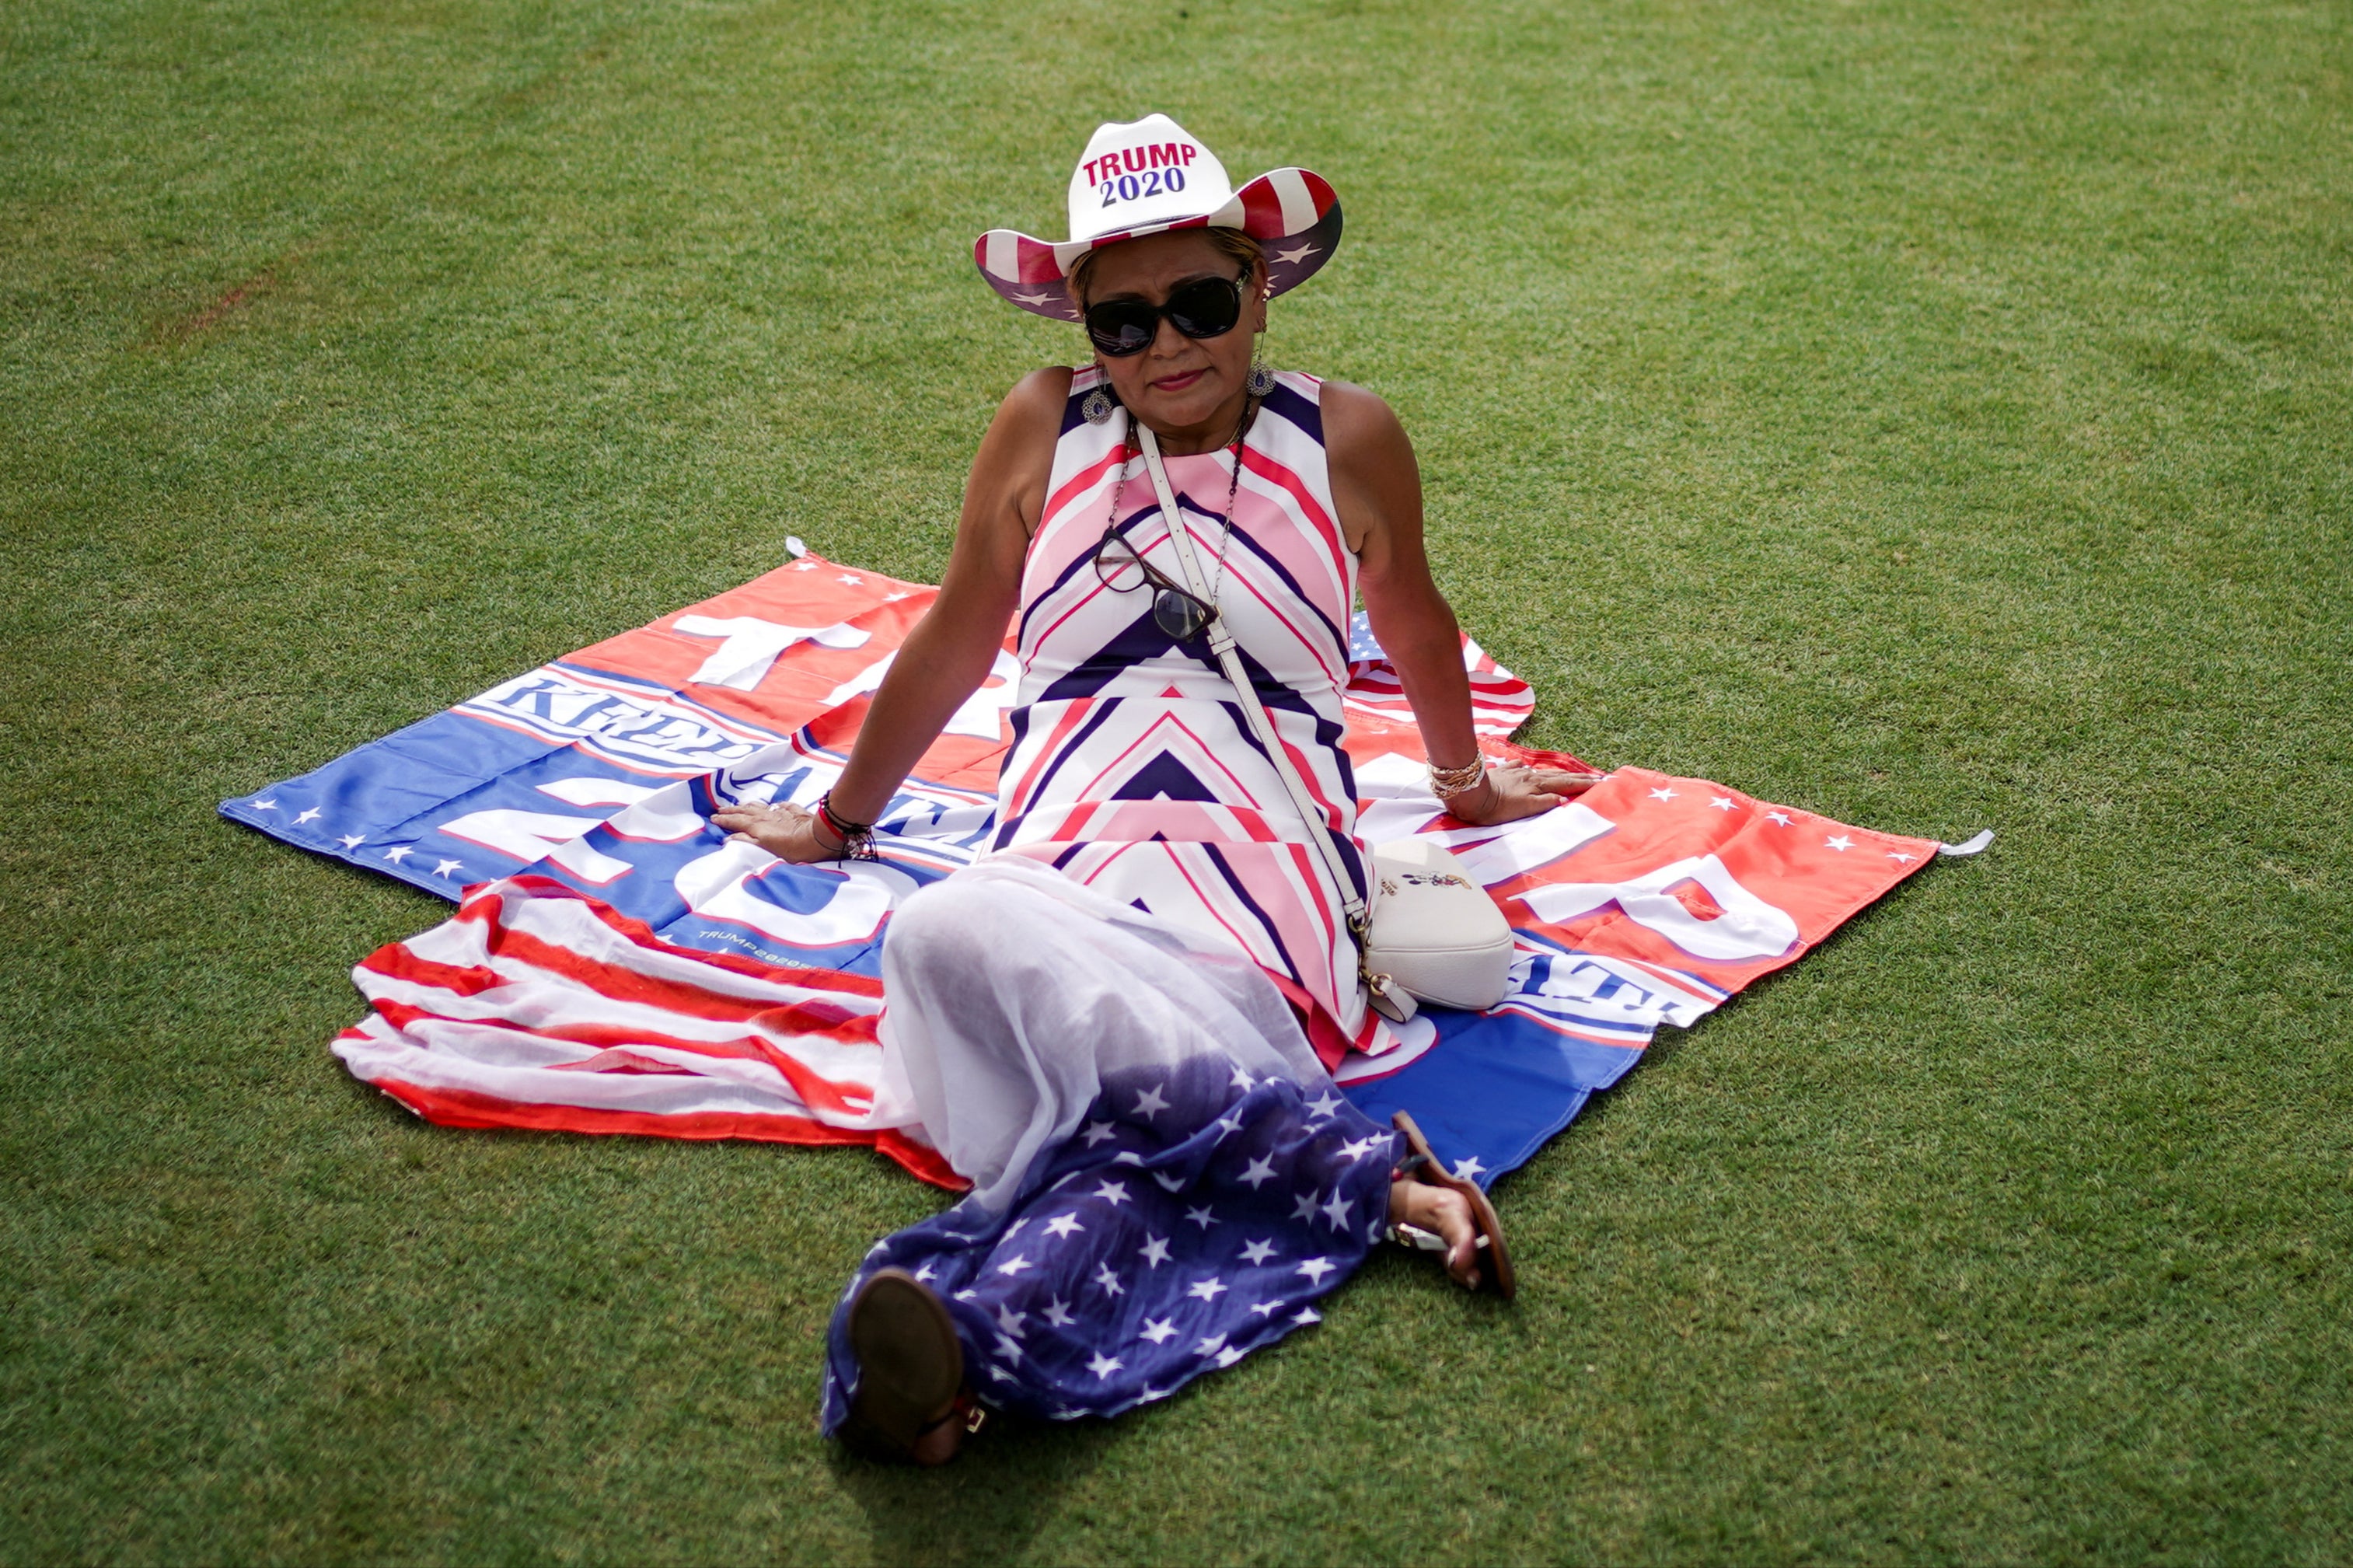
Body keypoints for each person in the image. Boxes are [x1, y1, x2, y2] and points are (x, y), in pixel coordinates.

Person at [712, 115, 1597, 1464]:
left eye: (1200, 302)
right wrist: (841, 818)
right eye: (1125, 322)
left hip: (1259, 882)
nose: (1169, 346)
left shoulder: (1346, 436)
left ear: (1260, 286)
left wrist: (1463, 780)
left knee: (995, 976)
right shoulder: (1037, 423)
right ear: (1082, 321)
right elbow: (958, 632)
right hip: (1061, 856)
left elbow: (1414, 618)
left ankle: (967, 1340)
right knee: (1003, 985)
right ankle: (1370, 1192)